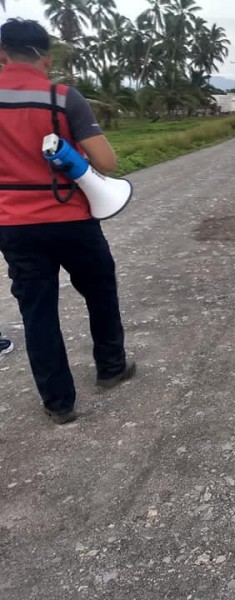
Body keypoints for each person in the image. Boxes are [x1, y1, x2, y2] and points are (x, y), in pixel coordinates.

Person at [0, 19, 135, 425]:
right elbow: (107, 163)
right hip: (71, 217)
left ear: (2, 54)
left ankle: (59, 403)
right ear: (47, 57)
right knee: (99, 289)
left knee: (37, 310)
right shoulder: (63, 97)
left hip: (14, 223)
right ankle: (111, 368)